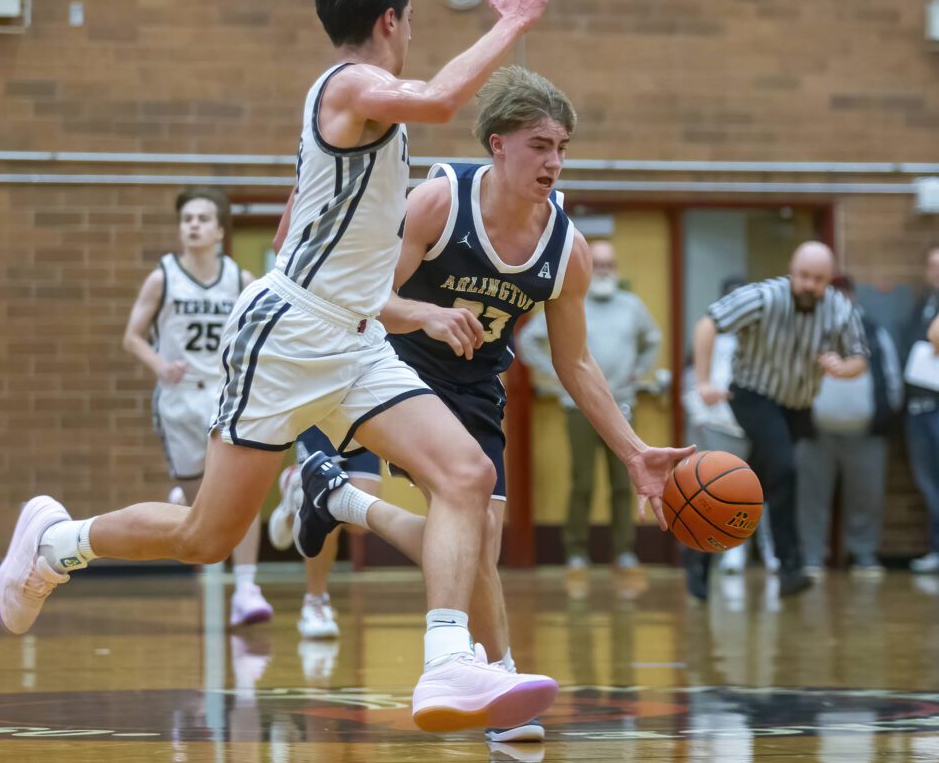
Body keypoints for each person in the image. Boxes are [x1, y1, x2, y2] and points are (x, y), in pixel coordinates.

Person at [0, 0, 565, 734]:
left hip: (357, 335)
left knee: (464, 473)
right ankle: (58, 541)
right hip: (289, 332)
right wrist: (512, 24)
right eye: (410, 22)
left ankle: (446, 663)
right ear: (391, 21)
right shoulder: (350, 84)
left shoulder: (365, 104)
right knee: (207, 535)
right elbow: (438, 97)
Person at [283, 65, 694, 741]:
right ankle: (501, 686)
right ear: (498, 145)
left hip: (476, 385)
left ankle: (338, 497)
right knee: (472, 526)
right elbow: (361, 296)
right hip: (397, 363)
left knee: (481, 542)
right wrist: (426, 314)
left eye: (562, 146)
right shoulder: (439, 203)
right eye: (540, 144)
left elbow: (576, 363)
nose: (554, 160)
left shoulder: (568, 249)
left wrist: (635, 451)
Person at [122, 187, 271, 626]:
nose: (193, 225)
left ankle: (246, 587)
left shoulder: (240, 279)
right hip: (180, 397)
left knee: (239, 496)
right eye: (187, 218)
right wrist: (160, 364)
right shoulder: (163, 277)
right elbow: (132, 336)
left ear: (220, 229)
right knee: (200, 511)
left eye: (203, 218)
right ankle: (182, 503)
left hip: (224, 396)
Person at [687, 242, 869, 600]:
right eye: (803, 276)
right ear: (792, 271)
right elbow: (708, 324)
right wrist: (703, 381)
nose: (808, 285)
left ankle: (699, 551)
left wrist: (842, 368)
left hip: (797, 405)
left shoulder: (839, 308)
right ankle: (790, 567)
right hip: (754, 394)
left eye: (817, 279)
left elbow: (860, 357)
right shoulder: (763, 297)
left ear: (828, 280)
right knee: (784, 469)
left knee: (757, 481)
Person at [518, 239, 661, 572]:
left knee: (624, 482)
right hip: (578, 407)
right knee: (582, 481)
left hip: (623, 405)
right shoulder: (571, 301)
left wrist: (639, 370)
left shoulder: (631, 306)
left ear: (617, 269)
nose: (604, 270)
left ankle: (624, 550)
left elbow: (653, 338)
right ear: (587, 268)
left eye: (609, 264)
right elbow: (527, 340)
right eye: (598, 264)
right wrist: (558, 374)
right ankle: (576, 550)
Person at [796, 275, 903, 578]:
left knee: (866, 498)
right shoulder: (808, 331)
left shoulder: (874, 331)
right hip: (815, 433)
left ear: (854, 297)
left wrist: (879, 419)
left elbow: (892, 381)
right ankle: (812, 556)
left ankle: (864, 555)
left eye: (845, 296)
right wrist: (800, 421)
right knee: (810, 498)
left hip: (866, 433)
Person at [681, 275, 778, 575]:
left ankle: (769, 550)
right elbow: (691, 381)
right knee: (726, 492)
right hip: (719, 427)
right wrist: (700, 413)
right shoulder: (709, 336)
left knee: (763, 490)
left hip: (755, 422)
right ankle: (732, 550)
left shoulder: (762, 339)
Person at [267, 428, 381, 640]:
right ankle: (315, 601)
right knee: (324, 502)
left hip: (362, 413)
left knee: (361, 523)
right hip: (320, 413)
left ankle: (296, 495)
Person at [904, 246, 939, 573]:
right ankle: (934, 548)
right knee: (927, 483)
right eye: (931, 265)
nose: (934, 271)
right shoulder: (924, 302)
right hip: (916, 409)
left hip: (937, 410)